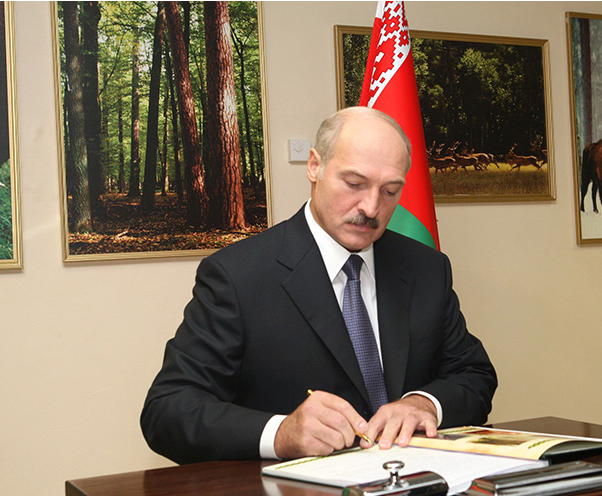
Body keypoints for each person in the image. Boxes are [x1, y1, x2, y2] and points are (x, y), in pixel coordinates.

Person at [140, 101, 498, 462]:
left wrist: (425, 404)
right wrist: (280, 433)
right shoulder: (238, 275)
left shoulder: (425, 268)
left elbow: (473, 375)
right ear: (315, 166)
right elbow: (167, 410)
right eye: (354, 183)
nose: (371, 208)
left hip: (414, 488)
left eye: (390, 191)